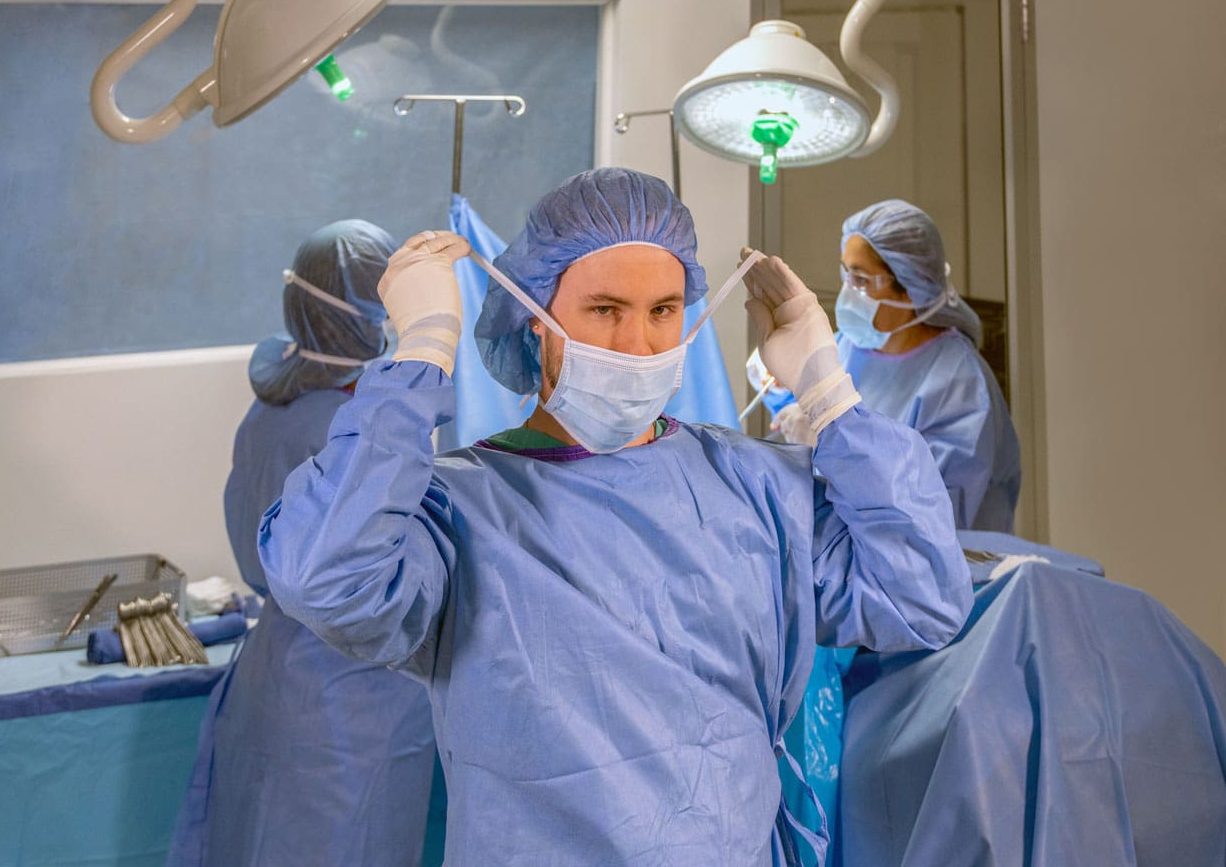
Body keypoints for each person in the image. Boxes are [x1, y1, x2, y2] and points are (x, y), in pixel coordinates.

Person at [259, 168, 973, 866]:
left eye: (664, 310)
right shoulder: (461, 512)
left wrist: (828, 392)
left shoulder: (753, 484)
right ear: (532, 318)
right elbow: (326, 578)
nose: (639, 346)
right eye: (605, 310)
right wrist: (419, 358)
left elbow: (921, 599)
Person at [166, 220, 438, 867]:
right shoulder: (357, 433)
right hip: (349, 703)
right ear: (368, 314)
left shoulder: (273, 407)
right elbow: (389, 578)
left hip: (276, 673)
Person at [764, 199, 1020, 534]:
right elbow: (811, 421)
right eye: (846, 273)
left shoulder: (959, 387)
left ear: (911, 287)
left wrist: (832, 445)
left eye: (861, 279)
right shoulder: (848, 346)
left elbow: (929, 514)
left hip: (920, 573)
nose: (847, 293)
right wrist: (785, 391)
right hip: (840, 553)